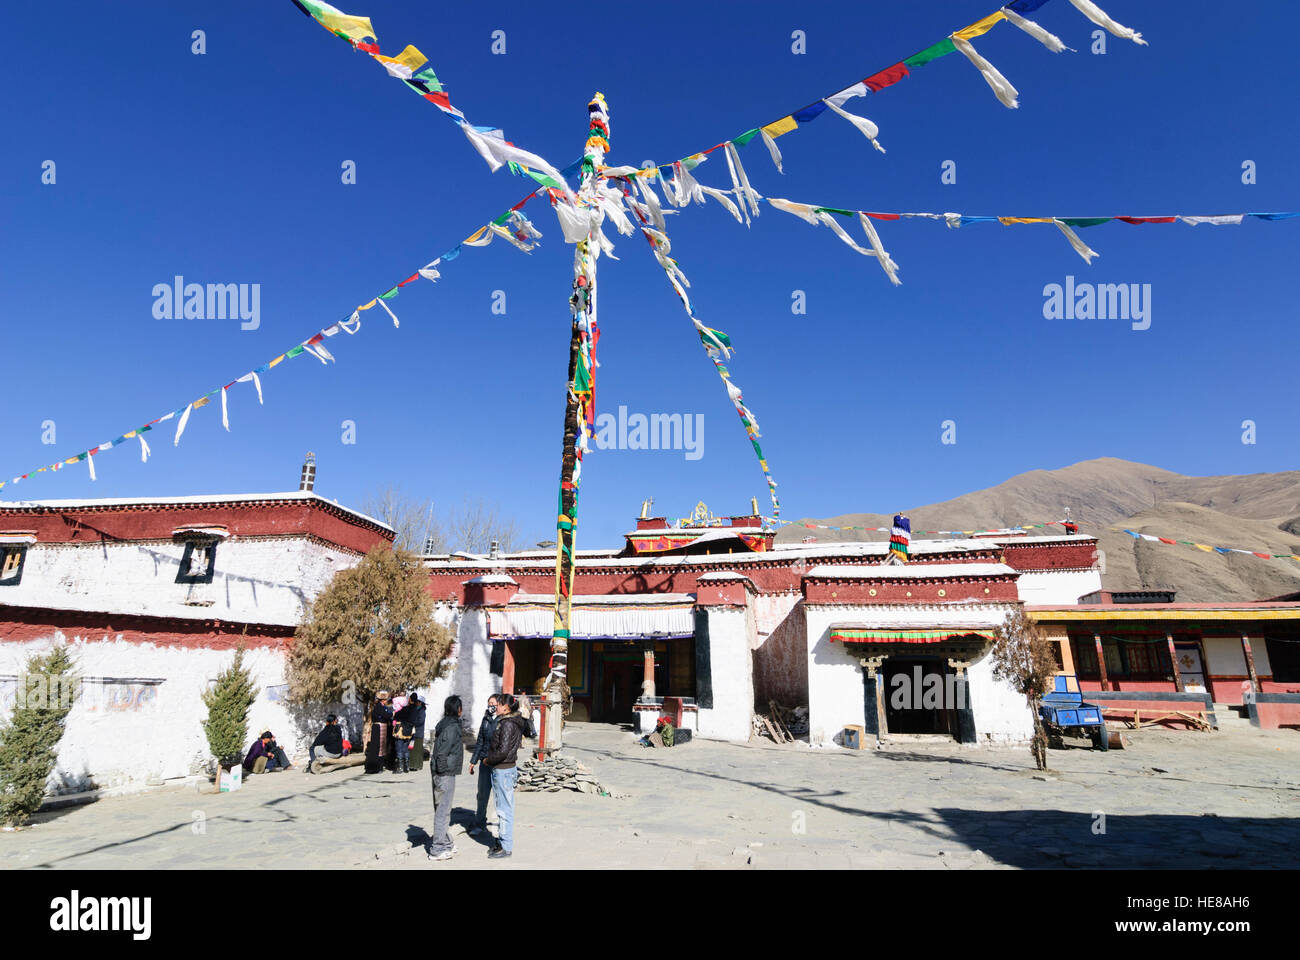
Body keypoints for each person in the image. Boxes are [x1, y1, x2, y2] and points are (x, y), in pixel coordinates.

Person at [482, 694, 530, 860]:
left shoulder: (508, 724)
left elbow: (502, 751)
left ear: (506, 707)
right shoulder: (509, 721)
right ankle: (502, 842)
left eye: (500, 704)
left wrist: (488, 760)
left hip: (503, 769)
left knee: (504, 809)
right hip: (504, 769)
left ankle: (506, 845)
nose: (497, 707)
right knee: (502, 807)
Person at [428, 695, 464, 861]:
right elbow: (442, 752)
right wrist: (442, 772)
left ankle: (446, 842)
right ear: (458, 709)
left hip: (445, 771)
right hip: (445, 773)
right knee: (442, 811)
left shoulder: (448, 725)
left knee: (443, 809)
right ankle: (437, 849)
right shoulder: (451, 728)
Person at [468, 694, 499, 836]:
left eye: (493, 703)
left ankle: (502, 826)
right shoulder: (486, 719)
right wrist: (473, 761)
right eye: (489, 703)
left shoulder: (502, 721)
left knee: (500, 795)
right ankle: (480, 822)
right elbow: (480, 740)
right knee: (482, 794)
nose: (490, 706)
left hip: (499, 764)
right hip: (485, 762)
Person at [396, 693, 427, 772]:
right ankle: (411, 765)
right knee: (411, 748)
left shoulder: (422, 711)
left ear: (420, 702)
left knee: (417, 750)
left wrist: (413, 723)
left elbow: (420, 721)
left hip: (418, 732)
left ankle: (416, 765)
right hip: (413, 732)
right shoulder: (416, 709)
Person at [365, 691, 394, 774]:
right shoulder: (380, 707)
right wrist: (392, 713)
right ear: (383, 700)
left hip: (379, 727)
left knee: (380, 747)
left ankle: (378, 766)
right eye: (385, 700)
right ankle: (376, 767)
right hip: (379, 727)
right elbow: (387, 715)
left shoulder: (379, 707)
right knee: (379, 747)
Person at [393, 709, 414, 773]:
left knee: (399, 750)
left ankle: (400, 767)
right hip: (408, 732)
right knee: (406, 750)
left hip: (400, 732)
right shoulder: (410, 712)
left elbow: (394, 719)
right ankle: (406, 767)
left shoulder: (399, 712)